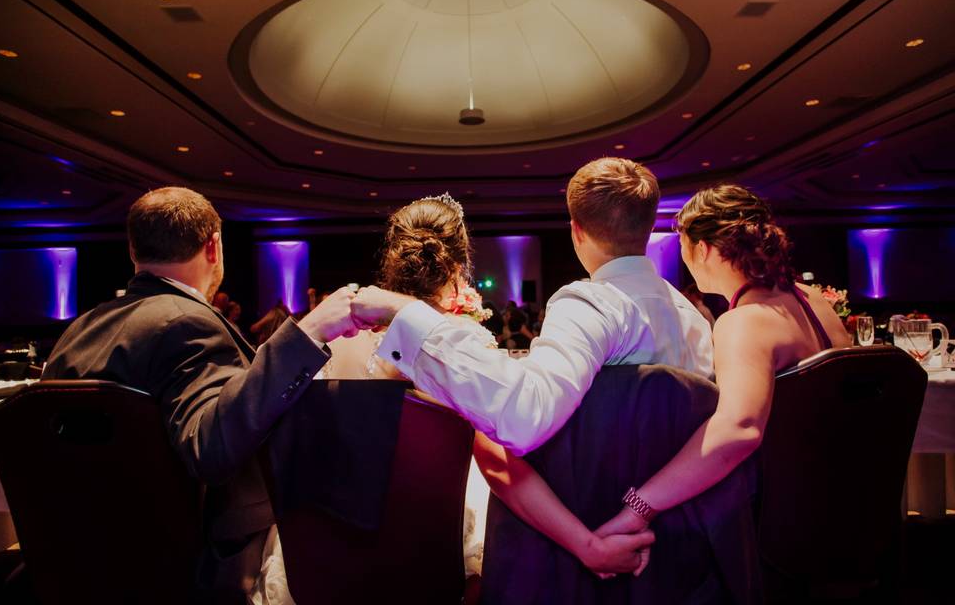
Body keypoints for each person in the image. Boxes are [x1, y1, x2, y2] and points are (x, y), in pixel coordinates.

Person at [251, 194, 655, 605]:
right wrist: (584, 542)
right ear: (458, 268)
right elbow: (499, 462)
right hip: (426, 547)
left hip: (331, 544)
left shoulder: (337, 339)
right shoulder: (466, 347)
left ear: (393, 258)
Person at [352, 158, 713, 568]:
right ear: (649, 228)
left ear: (576, 231)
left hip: (589, 522)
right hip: (683, 533)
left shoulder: (591, 306)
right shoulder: (692, 318)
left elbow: (523, 418)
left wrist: (406, 313)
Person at [42, 187, 361, 602]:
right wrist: (308, 333)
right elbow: (212, 447)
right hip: (192, 568)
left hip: (81, 556)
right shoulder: (188, 322)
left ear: (133, 250)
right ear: (214, 246)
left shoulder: (80, 328)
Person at [592, 184, 851, 542]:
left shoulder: (744, 322)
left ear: (703, 248)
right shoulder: (813, 300)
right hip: (842, 492)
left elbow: (738, 430)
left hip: (781, 517)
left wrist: (639, 505)